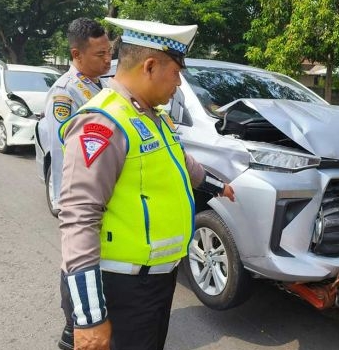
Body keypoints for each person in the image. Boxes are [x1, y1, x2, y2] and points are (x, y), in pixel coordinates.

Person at [57, 17, 235, 350]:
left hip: (155, 283)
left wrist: (216, 185)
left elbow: (180, 160)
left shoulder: (152, 115)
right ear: (150, 66)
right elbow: (79, 217)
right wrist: (90, 317)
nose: (179, 84)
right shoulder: (104, 122)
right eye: (176, 73)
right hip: (119, 289)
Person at [42, 17, 113, 350]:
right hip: (79, 198)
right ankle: (72, 331)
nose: (107, 59)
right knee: (77, 259)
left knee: (95, 261)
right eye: (100, 54)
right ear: (76, 53)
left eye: (109, 51)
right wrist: (63, 203)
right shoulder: (65, 92)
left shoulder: (102, 85)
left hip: (103, 196)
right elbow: (62, 154)